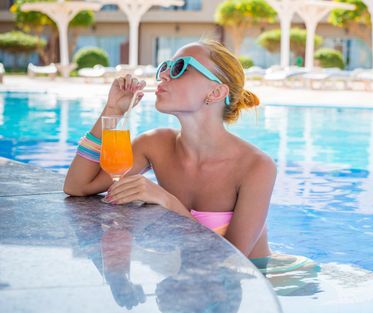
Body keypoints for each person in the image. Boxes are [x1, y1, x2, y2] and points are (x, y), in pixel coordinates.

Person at [64, 40, 276, 259]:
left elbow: (231, 260)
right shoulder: (155, 145)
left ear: (215, 92)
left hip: (258, 280)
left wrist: (167, 201)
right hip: (188, 279)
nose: (164, 75)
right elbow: (78, 185)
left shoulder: (256, 166)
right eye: (165, 67)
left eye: (179, 68)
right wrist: (112, 111)